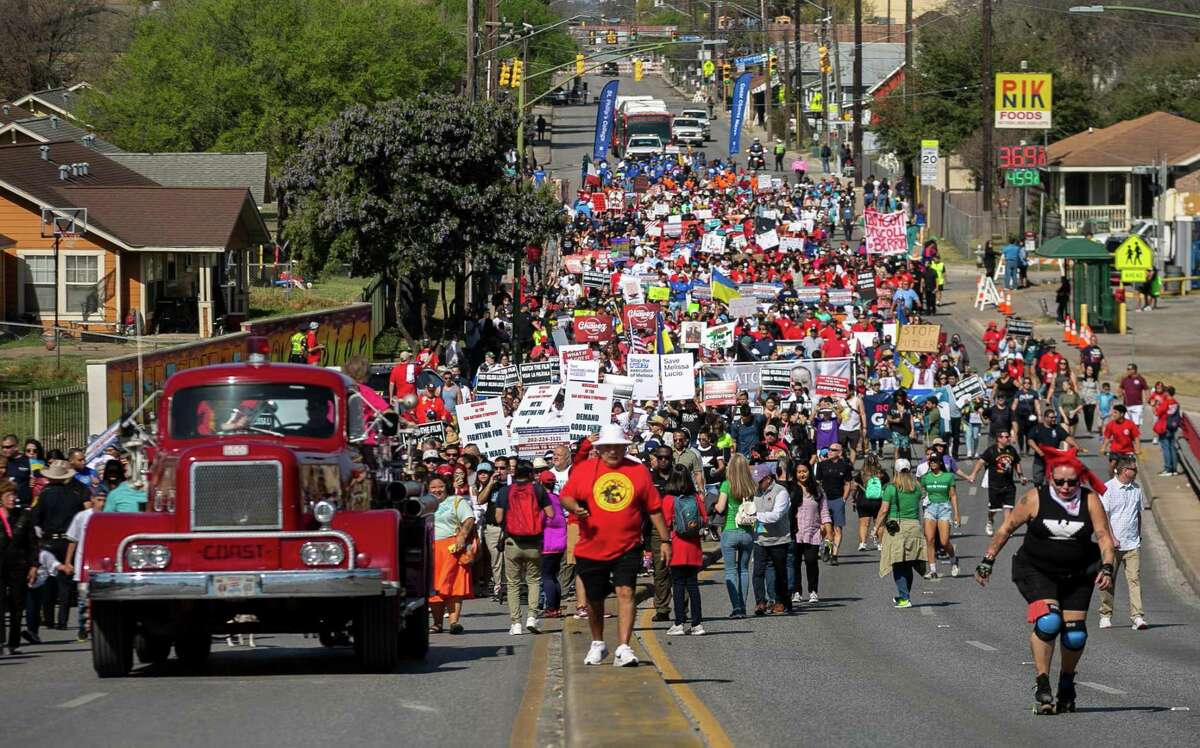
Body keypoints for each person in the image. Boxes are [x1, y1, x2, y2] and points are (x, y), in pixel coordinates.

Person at [974, 452, 1116, 715]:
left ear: (1079, 480)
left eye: (1071, 482)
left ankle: (1066, 684)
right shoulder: (1035, 498)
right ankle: (1042, 685)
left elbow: (1103, 536)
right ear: (1050, 477)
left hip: (1078, 572)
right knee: (1049, 621)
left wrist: (1107, 567)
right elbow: (1006, 529)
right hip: (1036, 570)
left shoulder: (1089, 500)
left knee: (1075, 634)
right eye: (1059, 481)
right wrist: (987, 560)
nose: (1065, 487)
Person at [559, 424, 669, 667]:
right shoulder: (584, 470)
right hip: (591, 546)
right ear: (599, 449)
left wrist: (665, 539)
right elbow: (565, 495)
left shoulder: (638, 471)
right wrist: (574, 508)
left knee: (625, 592)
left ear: (624, 447)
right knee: (595, 600)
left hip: (628, 545)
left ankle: (624, 646)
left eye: (618, 447)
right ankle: (598, 643)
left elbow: (654, 508)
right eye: (608, 447)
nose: (613, 451)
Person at [495, 460, 555, 635]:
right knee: (534, 580)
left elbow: (498, 519)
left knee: (513, 583)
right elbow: (550, 514)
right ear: (531, 475)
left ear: (514, 474)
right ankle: (532, 617)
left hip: (512, 542)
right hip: (534, 543)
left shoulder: (505, 491)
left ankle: (516, 624)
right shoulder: (538, 490)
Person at [30, 460, 86, 630]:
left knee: (48, 579)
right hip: (68, 541)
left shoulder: (45, 494)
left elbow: (35, 517)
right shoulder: (75, 495)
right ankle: (63, 620)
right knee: (65, 581)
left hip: (49, 540)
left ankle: (48, 618)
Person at [1098, 458, 1148, 630]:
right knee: (1108, 579)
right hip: (1112, 546)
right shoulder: (1107, 489)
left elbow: (1138, 514)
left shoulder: (1137, 489)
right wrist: (1112, 538)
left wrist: (1138, 535)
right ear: (1124, 470)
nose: (1136, 472)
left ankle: (1137, 616)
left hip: (1132, 543)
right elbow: (1103, 517)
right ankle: (1105, 614)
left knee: (1134, 579)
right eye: (1134, 469)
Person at [663, 462, 708, 636]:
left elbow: (665, 524)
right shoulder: (695, 497)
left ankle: (679, 622)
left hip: (676, 546)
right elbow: (704, 519)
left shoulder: (668, 499)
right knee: (693, 585)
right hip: (694, 546)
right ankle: (697, 624)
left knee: (678, 585)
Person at [874, 459, 926, 608]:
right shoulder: (917, 487)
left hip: (897, 527)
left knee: (898, 563)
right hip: (914, 526)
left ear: (895, 471)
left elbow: (884, 510)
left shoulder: (891, 488)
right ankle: (905, 595)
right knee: (908, 563)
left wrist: (876, 528)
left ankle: (905, 597)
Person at [650, 446, 693, 622]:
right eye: (660, 458)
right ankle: (662, 608)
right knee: (660, 571)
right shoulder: (650, 478)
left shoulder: (679, 476)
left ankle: (682, 608)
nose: (663, 461)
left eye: (666, 458)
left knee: (679, 569)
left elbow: (691, 497)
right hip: (656, 530)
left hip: (678, 528)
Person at [428, 475, 475, 635]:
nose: (437, 490)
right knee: (434, 587)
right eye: (433, 487)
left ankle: (454, 622)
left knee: (454, 586)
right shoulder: (424, 503)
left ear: (446, 487)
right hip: (431, 549)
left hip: (452, 549)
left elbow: (469, 519)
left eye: (440, 486)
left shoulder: (456, 501)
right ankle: (437, 624)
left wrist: (462, 535)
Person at [714, 453, 756, 618]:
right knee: (744, 570)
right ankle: (744, 606)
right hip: (746, 531)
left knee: (731, 570)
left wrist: (714, 505)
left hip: (730, 530)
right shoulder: (751, 485)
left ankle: (736, 608)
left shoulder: (726, 484)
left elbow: (721, 507)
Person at [0, 479, 38, 655]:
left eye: (13, 495)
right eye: (8, 495)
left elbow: (32, 543)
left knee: (17, 605)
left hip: (19, 565)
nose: (11, 498)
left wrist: (34, 566)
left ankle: (13, 643)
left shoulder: (24, 515)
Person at [751, 461, 792, 616]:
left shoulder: (781, 492)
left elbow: (776, 515)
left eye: (760, 481)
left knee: (779, 572)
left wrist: (755, 516)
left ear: (768, 478)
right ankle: (760, 602)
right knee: (758, 572)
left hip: (778, 539)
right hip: (760, 539)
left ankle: (781, 601)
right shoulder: (756, 492)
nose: (758, 484)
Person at [966, 430, 1025, 536]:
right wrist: (973, 474)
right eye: (1005, 437)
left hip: (1009, 484)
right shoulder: (991, 451)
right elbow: (981, 462)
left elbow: (1016, 462)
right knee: (994, 509)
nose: (1008, 439)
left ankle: (1006, 527)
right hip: (995, 485)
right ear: (999, 439)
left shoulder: (1011, 450)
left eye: (1008, 437)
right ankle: (990, 522)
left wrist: (1021, 476)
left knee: (1008, 507)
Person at [65, 490, 104, 642]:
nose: (102, 503)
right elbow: (72, 539)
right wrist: (68, 561)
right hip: (83, 563)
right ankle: (82, 628)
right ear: (92, 499)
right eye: (99, 499)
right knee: (83, 599)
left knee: (99, 599)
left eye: (104, 499)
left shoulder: (108, 517)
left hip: (101, 564)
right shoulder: (82, 516)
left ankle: (97, 629)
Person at [791, 462, 831, 604]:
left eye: (805, 471)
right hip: (795, 532)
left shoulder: (818, 490)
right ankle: (796, 591)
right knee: (795, 562)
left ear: (809, 472)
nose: (802, 474)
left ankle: (813, 591)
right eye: (799, 472)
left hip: (812, 532)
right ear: (795, 474)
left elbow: (824, 511)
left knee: (811, 561)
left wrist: (828, 532)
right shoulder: (791, 489)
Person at [919, 450, 960, 578]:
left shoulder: (948, 477)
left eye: (935, 461)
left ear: (940, 462)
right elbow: (920, 492)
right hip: (930, 508)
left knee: (944, 541)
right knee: (929, 539)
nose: (933, 463)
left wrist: (956, 514)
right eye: (931, 461)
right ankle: (932, 570)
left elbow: (953, 495)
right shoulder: (926, 477)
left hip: (944, 508)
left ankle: (953, 559)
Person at [814, 443, 853, 564]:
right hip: (824, 500)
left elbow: (847, 483)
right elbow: (818, 482)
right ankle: (826, 547)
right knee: (824, 528)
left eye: (832, 450)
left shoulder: (845, 466)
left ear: (840, 452)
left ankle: (834, 556)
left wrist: (844, 499)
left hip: (838, 499)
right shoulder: (822, 465)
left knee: (837, 529)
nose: (829, 452)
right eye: (828, 450)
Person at [539, 470, 567, 618]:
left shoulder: (543, 499)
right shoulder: (557, 498)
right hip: (561, 542)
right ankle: (556, 607)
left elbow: (540, 520)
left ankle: (551, 607)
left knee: (547, 576)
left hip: (548, 542)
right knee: (553, 576)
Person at [854, 452, 887, 551]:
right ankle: (880, 544)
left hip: (863, 500)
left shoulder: (861, 473)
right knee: (880, 523)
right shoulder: (881, 473)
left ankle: (863, 543)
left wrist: (853, 499)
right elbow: (886, 485)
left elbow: (855, 486)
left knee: (864, 523)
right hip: (878, 501)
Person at [1100, 404, 1140, 476]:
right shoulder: (1111, 424)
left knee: (1133, 467)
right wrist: (1103, 448)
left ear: (1122, 414)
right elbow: (1107, 438)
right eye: (1113, 412)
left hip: (1128, 450)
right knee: (1113, 464)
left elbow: (1136, 437)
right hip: (1115, 450)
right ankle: (1112, 481)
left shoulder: (1130, 424)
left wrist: (1138, 449)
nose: (1113, 414)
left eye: (1115, 413)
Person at [1154, 385, 1182, 476]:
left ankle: (1168, 469)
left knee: (1165, 448)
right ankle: (1174, 469)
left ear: (1167, 393)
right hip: (1172, 427)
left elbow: (1157, 413)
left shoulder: (1166, 402)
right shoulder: (1175, 402)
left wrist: (1155, 405)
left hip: (1164, 427)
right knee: (1172, 447)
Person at [1118, 363, 1148, 431]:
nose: (1127, 371)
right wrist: (1120, 393)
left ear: (1134, 370)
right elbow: (1120, 388)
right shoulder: (1125, 379)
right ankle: (1129, 437)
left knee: (1136, 423)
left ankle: (1135, 437)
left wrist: (1147, 398)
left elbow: (1146, 389)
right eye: (1127, 369)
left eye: (1129, 369)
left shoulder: (1141, 379)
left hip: (1138, 405)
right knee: (1126, 422)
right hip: (1127, 405)